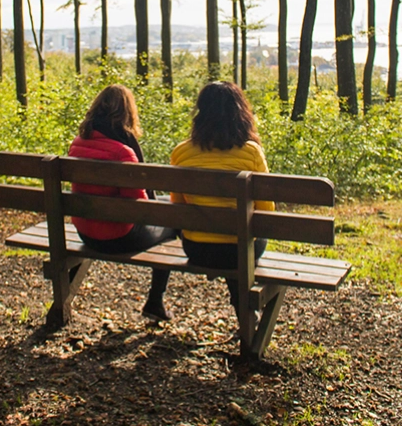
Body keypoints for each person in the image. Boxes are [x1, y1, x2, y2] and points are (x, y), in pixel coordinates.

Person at [69, 84, 176, 322]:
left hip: (85, 233)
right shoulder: (123, 152)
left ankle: (62, 301)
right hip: (118, 238)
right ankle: (155, 301)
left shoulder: (77, 144)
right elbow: (140, 207)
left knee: (165, 208)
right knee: (171, 219)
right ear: (128, 114)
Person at [170, 81, 274, 317]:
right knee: (244, 237)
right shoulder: (251, 153)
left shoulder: (181, 152)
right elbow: (266, 210)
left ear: (200, 113)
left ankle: (242, 309)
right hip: (239, 252)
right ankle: (245, 312)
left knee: (234, 238)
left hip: (197, 249)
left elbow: (178, 207)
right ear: (241, 113)